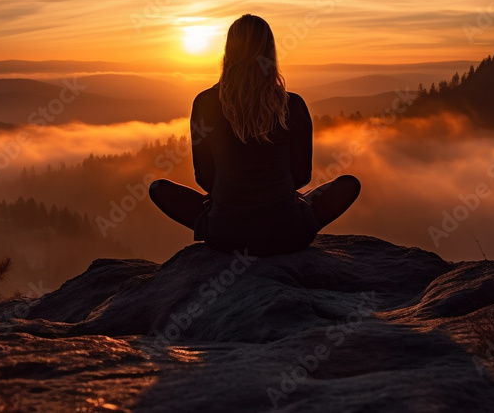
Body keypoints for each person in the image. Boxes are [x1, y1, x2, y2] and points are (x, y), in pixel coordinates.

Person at [149, 14, 361, 256]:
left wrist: (231, 198)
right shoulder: (292, 105)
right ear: (270, 52)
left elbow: (205, 178)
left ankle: (219, 220)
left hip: (225, 236)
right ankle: (291, 213)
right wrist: (279, 197)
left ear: (228, 52)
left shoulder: (205, 103)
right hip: (288, 234)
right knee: (348, 185)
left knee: (159, 188)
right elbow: (301, 176)